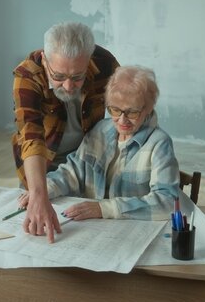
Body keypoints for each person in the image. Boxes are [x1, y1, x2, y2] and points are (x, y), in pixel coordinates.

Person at [19, 65, 180, 224]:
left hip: (131, 230)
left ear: (149, 108)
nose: (122, 120)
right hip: (94, 229)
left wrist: (103, 209)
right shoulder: (101, 129)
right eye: (115, 110)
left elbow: (167, 203)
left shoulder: (159, 143)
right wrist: (44, 190)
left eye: (132, 112)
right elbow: (73, 171)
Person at [11, 22, 120, 243]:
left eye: (78, 77)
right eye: (59, 76)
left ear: (88, 61)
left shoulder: (105, 63)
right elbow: (31, 137)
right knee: (35, 228)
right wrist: (39, 195)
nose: (69, 87)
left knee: (89, 232)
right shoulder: (28, 74)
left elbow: (128, 105)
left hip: (85, 159)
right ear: (44, 59)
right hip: (42, 161)